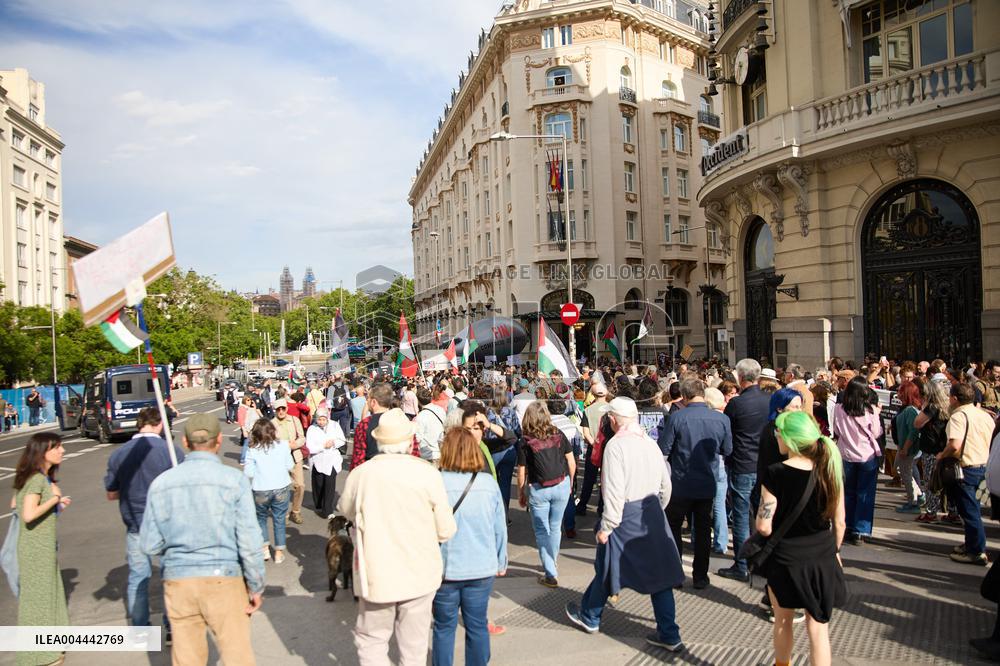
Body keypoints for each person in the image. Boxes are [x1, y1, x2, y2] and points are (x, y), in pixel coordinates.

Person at [140, 413, 265, 665]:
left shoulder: (162, 483)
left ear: (185, 443)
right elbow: (249, 541)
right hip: (225, 578)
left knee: (187, 657)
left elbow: (149, 543)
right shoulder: (234, 480)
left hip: (179, 581)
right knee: (237, 655)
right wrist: (256, 584)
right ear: (219, 441)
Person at [337, 408, 457, 666]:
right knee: (413, 646)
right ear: (409, 440)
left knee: (372, 641)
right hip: (420, 571)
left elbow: (345, 510)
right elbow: (446, 529)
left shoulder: (362, 474)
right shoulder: (427, 473)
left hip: (377, 572)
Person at [564, 397, 685, 653]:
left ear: (613, 419)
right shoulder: (650, 443)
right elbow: (667, 486)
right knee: (660, 575)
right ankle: (669, 632)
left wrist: (607, 526)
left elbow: (614, 492)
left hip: (625, 513)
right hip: (651, 511)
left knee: (609, 567)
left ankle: (590, 615)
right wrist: (656, 509)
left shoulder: (615, 446)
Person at [758, 411, 847, 666]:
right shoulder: (830, 469)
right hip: (821, 554)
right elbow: (839, 522)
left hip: (786, 558)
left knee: (783, 620)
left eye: (778, 432)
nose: (776, 437)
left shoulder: (775, 473)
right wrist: (835, 550)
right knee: (818, 628)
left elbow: (764, 526)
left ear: (789, 439)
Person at [104, 408, 184, 637]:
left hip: (136, 522)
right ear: (159, 424)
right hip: (168, 523)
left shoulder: (119, 454)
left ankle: (141, 632)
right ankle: (173, 628)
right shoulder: (170, 450)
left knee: (138, 578)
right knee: (172, 577)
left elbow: (111, 493)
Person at [432, 428, 509, 666]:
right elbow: (499, 526)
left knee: (444, 627)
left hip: (444, 568)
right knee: (477, 625)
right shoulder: (487, 483)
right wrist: (501, 559)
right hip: (481, 566)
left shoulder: (436, 482)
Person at [659, 377, 732, 589]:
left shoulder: (678, 417)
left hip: (681, 482)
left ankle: (676, 572)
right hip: (706, 481)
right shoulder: (721, 419)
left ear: (685, 395)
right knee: (702, 530)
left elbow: (664, 449)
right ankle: (700, 575)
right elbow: (727, 450)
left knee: (673, 527)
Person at [13, 433, 71, 666]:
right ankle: (38, 655)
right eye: (57, 447)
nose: (62, 451)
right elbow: (28, 515)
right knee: (38, 601)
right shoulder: (37, 479)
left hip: (40, 546)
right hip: (35, 549)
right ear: (42, 452)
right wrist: (53, 500)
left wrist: (55, 504)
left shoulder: (36, 478)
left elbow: (15, 503)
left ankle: (51, 647)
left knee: (47, 596)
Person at [719, 358, 770, 582]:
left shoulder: (736, 404)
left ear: (740, 377)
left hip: (742, 464)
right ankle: (760, 559)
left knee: (741, 516)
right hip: (764, 465)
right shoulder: (769, 400)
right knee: (762, 514)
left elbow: (727, 434)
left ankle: (741, 564)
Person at [517, 401, 575, 588]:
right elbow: (571, 462)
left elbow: (521, 472)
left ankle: (550, 571)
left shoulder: (525, 441)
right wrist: (571, 483)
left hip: (539, 488)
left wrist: (522, 492)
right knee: (555, 526)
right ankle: (552, 561)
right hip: (561, 483)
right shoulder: (558, 433)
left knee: (542, 530)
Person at [942, 383, 996, 565]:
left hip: (966, 467)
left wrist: (942, 455)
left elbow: (955, 444)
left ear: (954, 398)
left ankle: (976, 550)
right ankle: (971, 543)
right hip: (985, 467)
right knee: (974, 510)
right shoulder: (985, 416)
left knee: (970, 511)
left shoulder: (958, 416)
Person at [832, 378, 883, 546]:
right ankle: (861, 530)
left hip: (846, 454)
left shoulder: (839, 409)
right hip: (866, 455)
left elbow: (837, 430)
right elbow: (876, 432)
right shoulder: (870, 411)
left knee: (847, 493)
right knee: (865, 494)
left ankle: (846, 525)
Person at [243, 419, 293, 564]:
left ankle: (264, 549)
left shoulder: (253, 449)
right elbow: (289, 465)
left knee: (261, 519)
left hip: (260, 488)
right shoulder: (283, 445)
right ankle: (278, 553)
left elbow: (249, 472)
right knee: (279, 519)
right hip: (281, 486)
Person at [350, 383, 420, 470]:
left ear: (373, 402)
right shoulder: (403, 420)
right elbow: (415, 452)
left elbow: (357, 461)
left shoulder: (365, 425)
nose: (366, 401)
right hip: (402, 472)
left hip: (374, 473)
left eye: (368, 398)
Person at [271, 398, 306, 525]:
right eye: (278, 409)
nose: (281, 411)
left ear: (286, 409)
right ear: (275, 410)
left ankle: (295, 511)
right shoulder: (271, 423)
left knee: (300, 486)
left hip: (295, 456)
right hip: (280, 458)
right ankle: (283, 514)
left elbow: (302, 437)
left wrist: (295, 444)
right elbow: (269, 443)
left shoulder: (294, 420)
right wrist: (283, 445)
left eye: (283, 408)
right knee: (282, 488)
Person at [703, 387, 730, 554]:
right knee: (719, 505)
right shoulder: (724, 419)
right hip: (720, 463)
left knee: (702, 504)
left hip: (705, 463)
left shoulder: (704, 417)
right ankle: (721, 542)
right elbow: (728, 447)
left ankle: (699, 538)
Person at [577, 383, 610, 516]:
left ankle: (582, 505)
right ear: (606, 393)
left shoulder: (588, 410)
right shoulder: (612, 409)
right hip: (609, 449)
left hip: (593, 449)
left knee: (589, 479)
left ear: (593, 395)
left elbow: (586, 433)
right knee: (606, 479)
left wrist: (595, 445)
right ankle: (602, 507)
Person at [305, 409, 345, 519]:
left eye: (324, 419)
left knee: (330, 484)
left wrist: (333, 443)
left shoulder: (335, 425)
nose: (321, 422)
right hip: (317, 460)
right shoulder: (312, 429)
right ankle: (319, 504)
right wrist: (322, 446)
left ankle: (328, 510)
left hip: (331, 459)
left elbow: (342, 440)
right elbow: (309, 447)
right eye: (319, 419)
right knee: (319, 484)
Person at [893, 381, 924, 514]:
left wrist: (905, 448)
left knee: (906, 473)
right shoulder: (908, 409)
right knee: (903, 471)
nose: (898, 394)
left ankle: (913, 502)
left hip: (908, 449)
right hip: (904, 447)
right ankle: (918, 497)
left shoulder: (910, 410)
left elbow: (913, 431)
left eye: (901, 392)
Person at [414, 384, 448, 465]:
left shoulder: (420, 417)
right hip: (441, 451)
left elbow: (418, 438)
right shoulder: (440, 410)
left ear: (418, 401)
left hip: (427, 455)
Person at [239, 394, 261, 465]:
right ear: (244, 400)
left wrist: (254, 407)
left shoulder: (248, 408)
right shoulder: (242, 408)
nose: (250, 401)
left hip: (251, 428)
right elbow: (241, 420)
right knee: (246, 444)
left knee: (251, 444)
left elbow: (254, 415)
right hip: (247, 428)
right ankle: (243, 459)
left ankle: (248, 458)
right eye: (248, 400)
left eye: (250, 400)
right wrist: (244, 430)